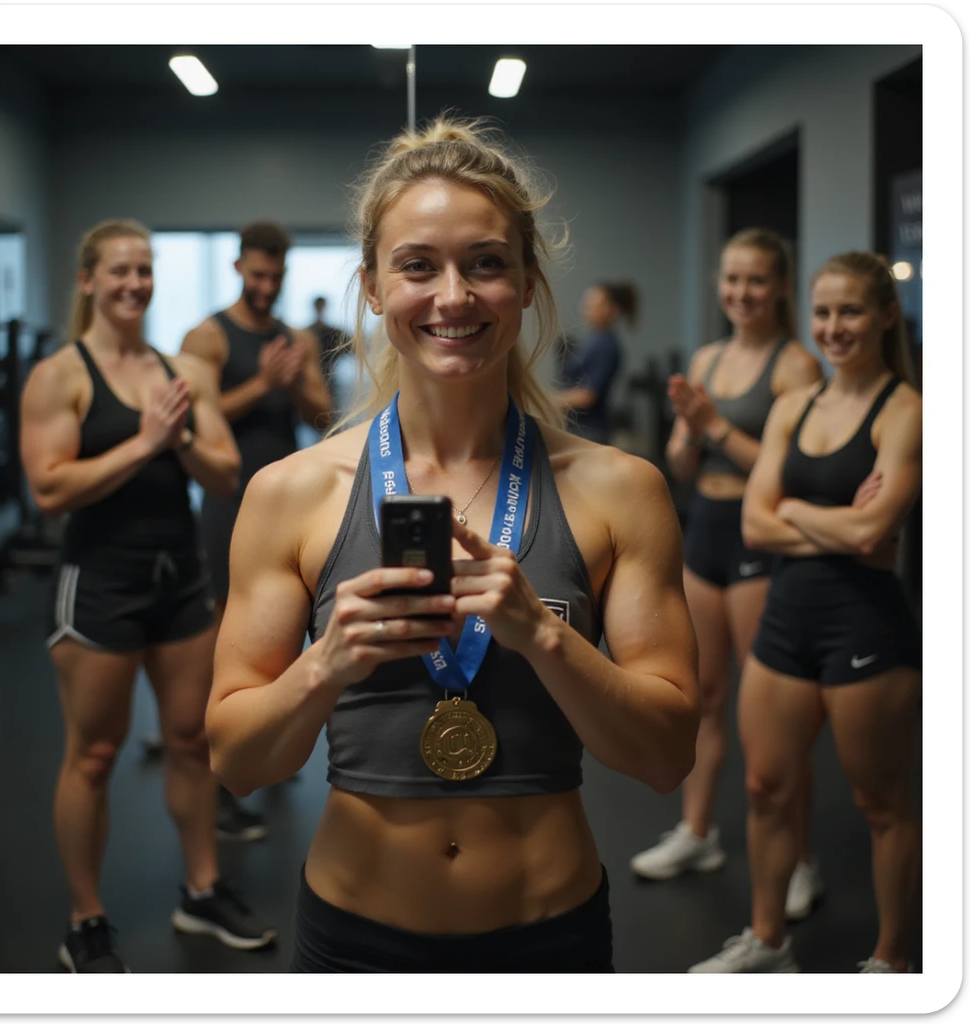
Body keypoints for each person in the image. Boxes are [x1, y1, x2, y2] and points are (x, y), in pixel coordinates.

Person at [205, 116, 701, 973]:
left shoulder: (622, 490)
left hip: (550, 939)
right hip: (353, 942)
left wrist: (546, 636)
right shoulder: (290, 495)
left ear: (526, 279)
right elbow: (239, 762)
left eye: (485, 263)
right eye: (417, 265)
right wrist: (326, 662)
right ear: (370, 284)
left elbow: (665, 758)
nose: (453, 297)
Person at [20, 219, 277, 973]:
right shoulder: (59, 376)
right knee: (94, 755)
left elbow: (226, 473)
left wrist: (182, 438)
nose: (134, 283)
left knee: (195, 742)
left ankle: (201, 891)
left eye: (145, 270)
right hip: (99, 583)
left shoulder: (184, 374)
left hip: (181, 580)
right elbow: (48, 490)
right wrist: (143, 442)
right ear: (89, 281)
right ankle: (85, 921)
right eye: (120, 271)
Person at [688, 251, 922, 973]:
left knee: (878, 802)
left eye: (850, 311)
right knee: (765, 786)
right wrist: (827, 520)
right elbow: (759, 527)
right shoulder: (795, 406)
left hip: (865, 623)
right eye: (823, 313)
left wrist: (793, 507)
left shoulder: (909, 411)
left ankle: (888, 958)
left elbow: (872, 533)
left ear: (885, 314)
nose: (833, 327)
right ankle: (768, 940)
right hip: (788, 614)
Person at [631, 229, 824, 920]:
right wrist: (688, 431)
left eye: (755, 281)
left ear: (779, 287)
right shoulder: (710, 356)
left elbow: (789, 473)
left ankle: (800, 860)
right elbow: (684, 466)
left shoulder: (794, 367)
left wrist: (711, 425)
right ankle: (699, 830)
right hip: (704, 532)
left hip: (757, 538)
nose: (740, 293)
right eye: (731, 280)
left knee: (770, 714)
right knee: (705, 694)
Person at [180, 222, 333, 841]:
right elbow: (196, 415)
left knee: (281, 634)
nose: (267, 287)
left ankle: (264, 748)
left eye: (277, 277)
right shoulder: (207, 336)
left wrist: (294, 380)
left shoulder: (294, 339)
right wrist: (262, 385)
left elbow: (324, 415)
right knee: (227, 636)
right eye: (257, 275)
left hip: (288, 506)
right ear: (239, 268)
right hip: (227, 501)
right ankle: (219, 785)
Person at [555, 281, 636, 445]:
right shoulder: (593, 341)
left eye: (592, 305)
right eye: (586, 304)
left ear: (610, 309)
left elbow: (588, 395)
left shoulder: (606, 345)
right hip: (576, 427)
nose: (585, 310)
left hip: (590, 431)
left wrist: (546, 401)